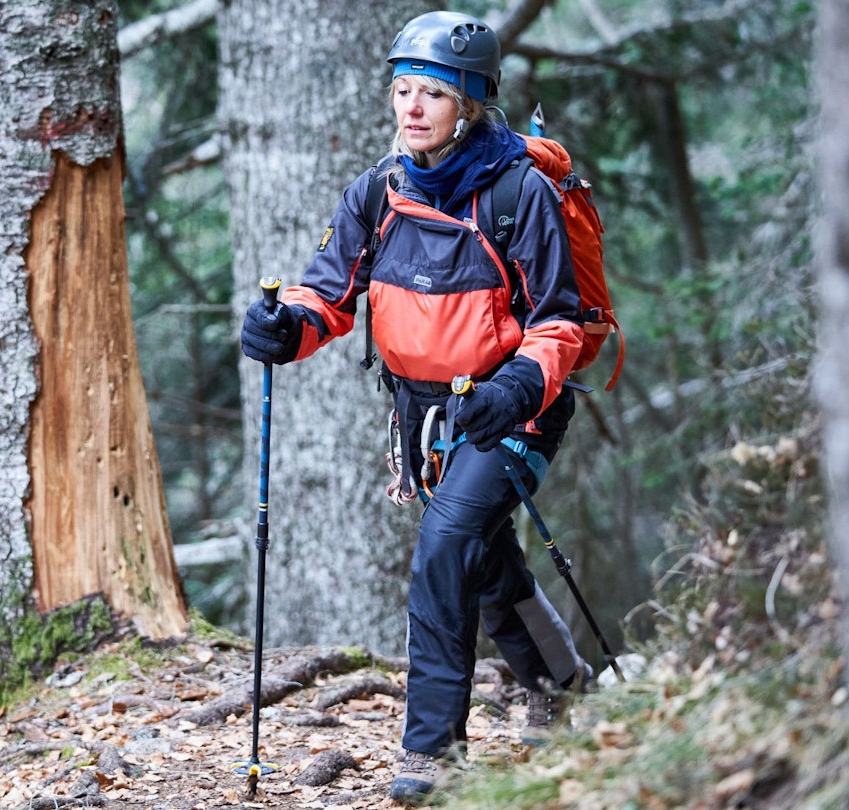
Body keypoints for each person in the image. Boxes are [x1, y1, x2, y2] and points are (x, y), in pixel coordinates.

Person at [239, 10, 593, 805]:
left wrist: (513, 390)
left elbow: (560, 322)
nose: (411, 107)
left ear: (469, 103)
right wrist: (282, 326)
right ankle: (560, 683)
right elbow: (327, 295)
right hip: (424, 420)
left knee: (443, 551)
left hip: (513, 410)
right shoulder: (380, 192)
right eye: (403, 90)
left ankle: (433, 752)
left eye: (432, 92)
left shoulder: (516, 193)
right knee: (482, 559)